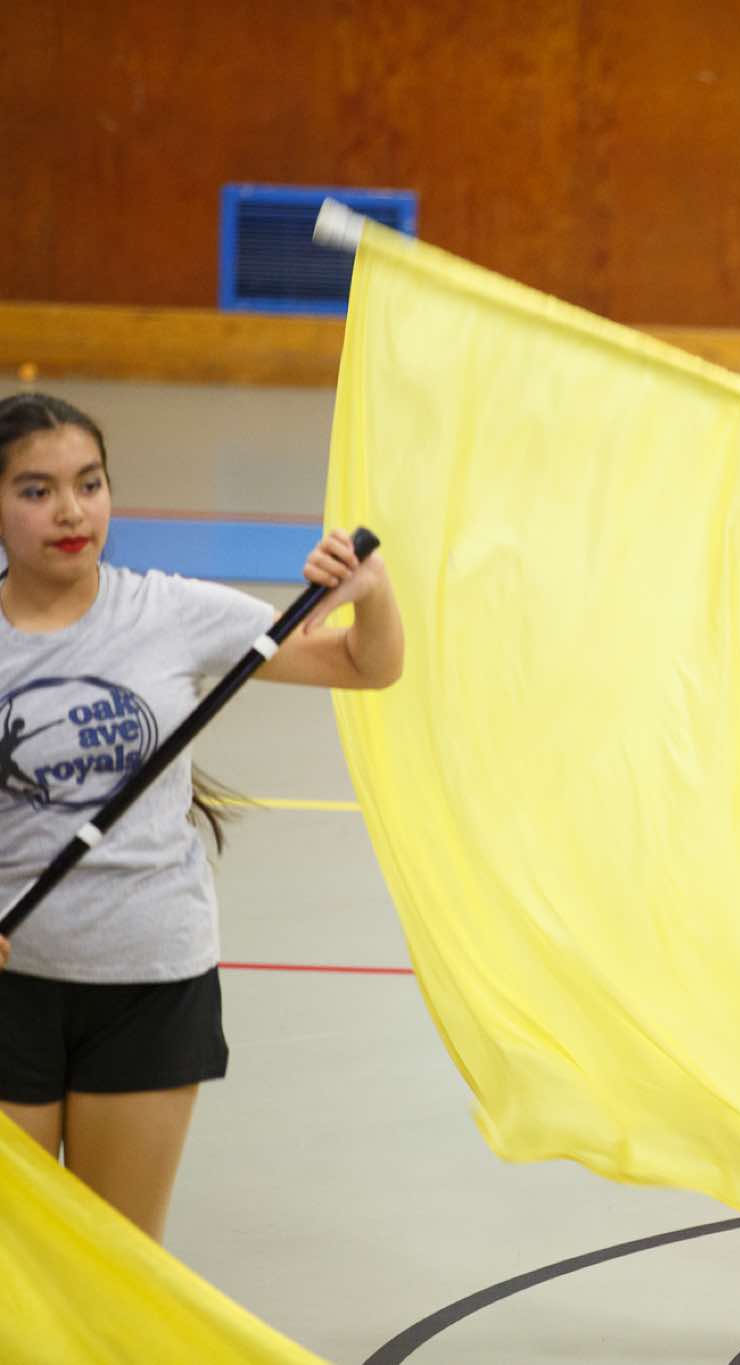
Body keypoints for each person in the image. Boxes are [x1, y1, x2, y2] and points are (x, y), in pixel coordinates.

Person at [0, 392, 404, 1242]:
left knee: (116, 1257)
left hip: (149, 981)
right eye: (36, 491)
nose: (71, 511)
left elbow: (366, 665)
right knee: (20, 1262)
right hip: (11, 983)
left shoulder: (170, 612)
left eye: (89, 483)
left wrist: (371, 595)